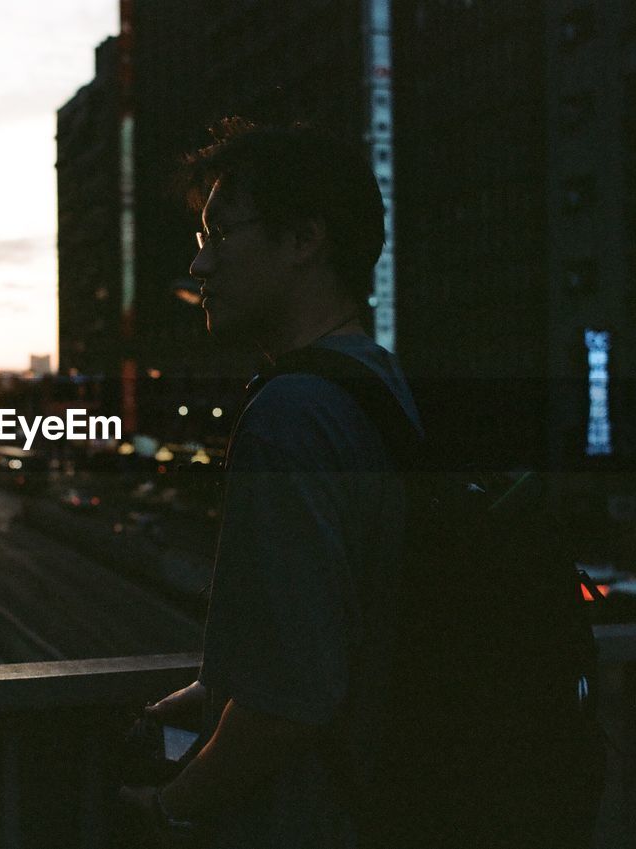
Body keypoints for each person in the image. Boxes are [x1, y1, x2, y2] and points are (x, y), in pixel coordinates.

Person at [118, 119, 422, 847]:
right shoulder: (382, 387)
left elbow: (291, 699)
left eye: (220, 234)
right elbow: (335, 634)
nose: (199, 267)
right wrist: (200, 695)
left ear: (303, 240)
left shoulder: (291, 414)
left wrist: (169, 808)